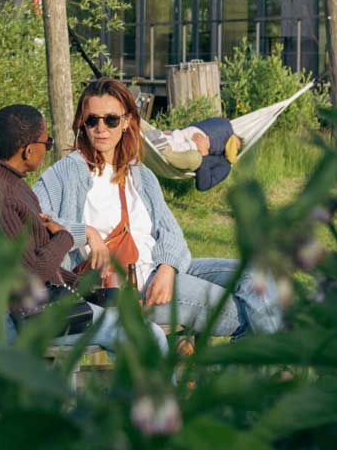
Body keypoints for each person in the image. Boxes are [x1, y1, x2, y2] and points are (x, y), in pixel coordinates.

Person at [34, 78, 282, 337]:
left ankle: (266, 359)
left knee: (259, 276)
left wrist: (167, 268)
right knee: (240, 311)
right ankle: (279, 360)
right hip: (127, 289)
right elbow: (35, 218)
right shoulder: (66, 172)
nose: (101, 128)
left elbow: (171, 231)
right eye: (92, 120)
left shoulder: (139, 173)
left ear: (127, 121)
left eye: (111, 120)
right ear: (81, 124)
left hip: (159, 269)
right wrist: (86, 232)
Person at [0, 104, 168, 356]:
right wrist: (64, 237)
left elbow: (35, 264)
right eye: (46, 142)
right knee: (149, 335)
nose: (48, 148)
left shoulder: (12, 186)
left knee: (127, 328)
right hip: (14, 316)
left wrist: (93, 290)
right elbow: (33, 273)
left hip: (33, 306)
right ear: (28, 150)